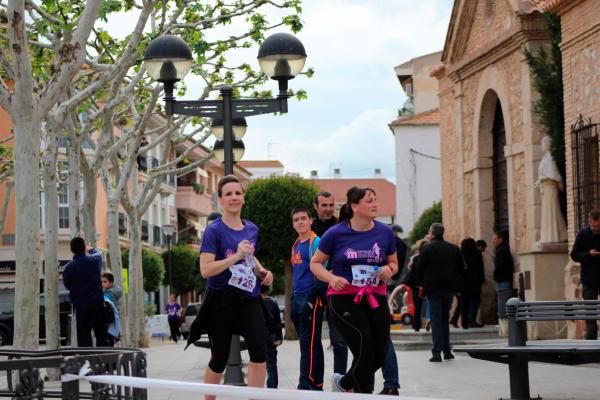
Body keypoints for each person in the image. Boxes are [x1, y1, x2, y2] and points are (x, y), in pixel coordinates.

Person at [310, 186, 398, 393]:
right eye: (370, 200)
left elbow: (394, 263)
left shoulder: (385, 232)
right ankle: (361, 394)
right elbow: (315, 264)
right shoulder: (336, 233)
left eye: (375, 199)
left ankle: (344, 384)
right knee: (365, 350)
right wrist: (331, 278)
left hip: (375, 297)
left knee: (380, 353)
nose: (375, 204)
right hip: (344, 298)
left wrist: (388, 269)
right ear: (355, 206)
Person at [199, 175, 274, 400]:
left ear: (243, 197)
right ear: (220, 200)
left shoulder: (252, 228)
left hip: (248, 297)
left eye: (238, 193)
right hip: (221, 300)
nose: (234, 198)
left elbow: (250, 258)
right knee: (219, 358)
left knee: (259, 353)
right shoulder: (213, 231)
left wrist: (262, 272)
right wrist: (235, 257)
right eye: (229, 194)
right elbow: (206, 269)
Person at [312, 191, 348, 376]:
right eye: (324, 205)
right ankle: (314, 382)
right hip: (315, 289)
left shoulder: (342, 226)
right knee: (313, 341)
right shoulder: (309, 229)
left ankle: (340, 382)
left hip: (338, 289)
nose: (328, 209)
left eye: (330, 205)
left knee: (340, 341)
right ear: (316, 206)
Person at [416, 223, 464, 362]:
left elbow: (420, 268)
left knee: (436, 320)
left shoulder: (427, 248)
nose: (428, 234)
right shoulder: (453, 248)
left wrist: (421, 285)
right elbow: (461, 268)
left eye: (429, 232)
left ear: (432, 233)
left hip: (432, 289)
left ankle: (437, 352)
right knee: (444, 319)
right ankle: (447, 351)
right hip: (449, 288)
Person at [290, 207, 326, 390]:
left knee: (309, 343)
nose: (300, 222)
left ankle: (305, 384)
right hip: (297, 299)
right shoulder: (296, 244)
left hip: (311, 298)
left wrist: (312, 299)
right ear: (293, 223)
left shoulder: (316, 242)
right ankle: (316, 383)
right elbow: (297, 274)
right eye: (296, 220)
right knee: (310, 343)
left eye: (303, 218)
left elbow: (324, 272)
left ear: (311, 220)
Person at [62, 237, 107, 347]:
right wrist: (90, 249)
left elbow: (68, 286)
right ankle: (105, 361)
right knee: (101, 334)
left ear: (72, 250)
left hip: (80, 306)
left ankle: (87, 361)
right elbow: (99, 253)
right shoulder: (94, 261)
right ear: (84, 248)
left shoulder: (68, 268)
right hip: (97, 304)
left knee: (83, 337)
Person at [379, 223, 407, 396]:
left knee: (382, 339)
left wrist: (391, 276)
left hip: (374, 291)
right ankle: (390, 383)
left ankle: (390, 383)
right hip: (375, 290)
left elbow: (401, 246)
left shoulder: (381, 235)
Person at [570, 210, 600, 340]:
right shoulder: (582, 235)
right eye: (594, 226)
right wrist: (588, 254)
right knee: (590, 316)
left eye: (599, 226)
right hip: (589, 279)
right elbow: (574, 254)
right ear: (589, 222)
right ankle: (591, 347)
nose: (596, 229)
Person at [260, 285, 282, 388]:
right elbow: (278, 322)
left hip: (260, 337)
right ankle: (272, 388)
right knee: (272, 365)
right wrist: (279, 338)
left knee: (260, 365)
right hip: (271, 338)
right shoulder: (273, 303)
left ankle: (265, 387)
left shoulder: (256, 304)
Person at [405, 239, 429, 331]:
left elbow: (410, 269)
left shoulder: (415, 258)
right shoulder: (420, 258)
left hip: (417, 285)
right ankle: (418, 324)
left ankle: (417, 325)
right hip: (421, 285)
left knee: (419, 306)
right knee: (421, 306)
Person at [460, 238, 485, 329]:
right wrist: (481, 280)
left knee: (464, 302)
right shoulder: (477, 254)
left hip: (464, 283)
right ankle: (472, 320)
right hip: (475, 282)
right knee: (475, 301)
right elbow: (481, 269)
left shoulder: (461, 254)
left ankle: (464, 322)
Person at [101, 271, 122, 346]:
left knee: (109, 343)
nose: (102, 284)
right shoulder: (115, 291)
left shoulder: (108, 294)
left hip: (109, 322)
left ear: (111, 283)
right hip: (115, 322)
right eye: (101, 282)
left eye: (105, 282)